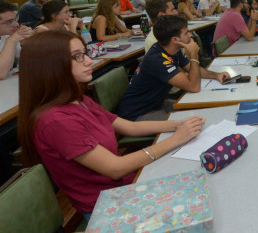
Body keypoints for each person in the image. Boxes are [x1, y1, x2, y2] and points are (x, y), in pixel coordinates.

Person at [17, 30, 207, 218]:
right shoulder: (56, 121)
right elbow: (116, 168)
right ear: (49, 66)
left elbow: (129, 127)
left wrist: (178, 124)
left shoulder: (78, 100)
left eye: (85, 54)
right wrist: (176, 139)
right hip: (106, 205)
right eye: (77, 57)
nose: (89, 61)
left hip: (123, 187)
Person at [120, 16, 229, 121]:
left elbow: (193, 69)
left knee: (203, 111)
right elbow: (194, 87)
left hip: (157, 105)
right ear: (175, 39)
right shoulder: (158, 59)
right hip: (138, 115)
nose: (190, 35)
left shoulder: (172, 50)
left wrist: (216, 75)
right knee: (194, 122)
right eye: (186, 33)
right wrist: (193, 55)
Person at [0, 0, 32, 79]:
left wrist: (26, 43)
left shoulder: (6, 36)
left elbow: (31, 60)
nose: (16, 24)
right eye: (9, 22)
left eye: (15, 19)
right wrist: (12, 40)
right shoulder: (10, 38)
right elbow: (1, 74)